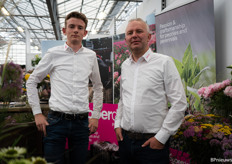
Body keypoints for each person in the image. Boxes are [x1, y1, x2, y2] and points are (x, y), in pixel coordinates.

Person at [26, 11, 103, 164]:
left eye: (80, 28)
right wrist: (37, 113)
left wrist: (95, 116)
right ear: (64, 30)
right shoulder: (53, 54)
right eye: (72, 26)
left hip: (81, 123)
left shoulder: (91, 56)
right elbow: (31, 81)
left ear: (85, 32)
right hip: (56, 122)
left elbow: (98, 86)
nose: (76, 30)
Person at [114, 18, 187, 164]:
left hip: (152, 145)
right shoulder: (125, 65)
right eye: (130, 33)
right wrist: (117, 124)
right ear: (126, 39)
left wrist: (161, 137)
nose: (134, 35)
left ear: (149, 37)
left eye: (139, 31)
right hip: (126, 143)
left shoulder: (164, 62)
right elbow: (123, 98)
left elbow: (179, 103)